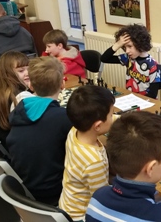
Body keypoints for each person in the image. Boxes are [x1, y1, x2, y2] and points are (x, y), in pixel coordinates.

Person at [6, 56, 72, 205]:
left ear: (31, 86)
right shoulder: (63, 117)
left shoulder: (20, 109)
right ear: (62, 84)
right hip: (53, 192)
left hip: (24, 188)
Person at [58, 86, 115, 221]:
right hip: (80, 216)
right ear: (98, 126)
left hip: (67, 205)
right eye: (112, 115)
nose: (113, 117)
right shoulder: (94, 162)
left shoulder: (74, 131)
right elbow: (103, 201)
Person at [101, 24, 160, 98]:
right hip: (131, 98)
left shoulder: (152, 65)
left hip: (145, 101)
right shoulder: (128, 58)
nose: (127, 51)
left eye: (129, 46)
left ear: (140, 44)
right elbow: (104, 59)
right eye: (124, 47)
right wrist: (118, 44)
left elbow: (152, 95)